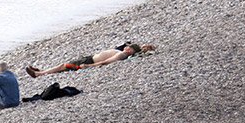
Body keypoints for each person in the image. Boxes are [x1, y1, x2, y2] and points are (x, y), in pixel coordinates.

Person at [25, 44, 154, 77]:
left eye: (129, 48)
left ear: (131, 51)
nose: (126, 48)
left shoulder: (121, 55)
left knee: (64, 65)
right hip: (89, 59)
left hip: (89, 61)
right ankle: (41, 71)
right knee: (63, 65)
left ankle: (38, 74)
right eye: (127, 47)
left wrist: (88, 66)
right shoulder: (123, 52)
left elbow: (106, 62)